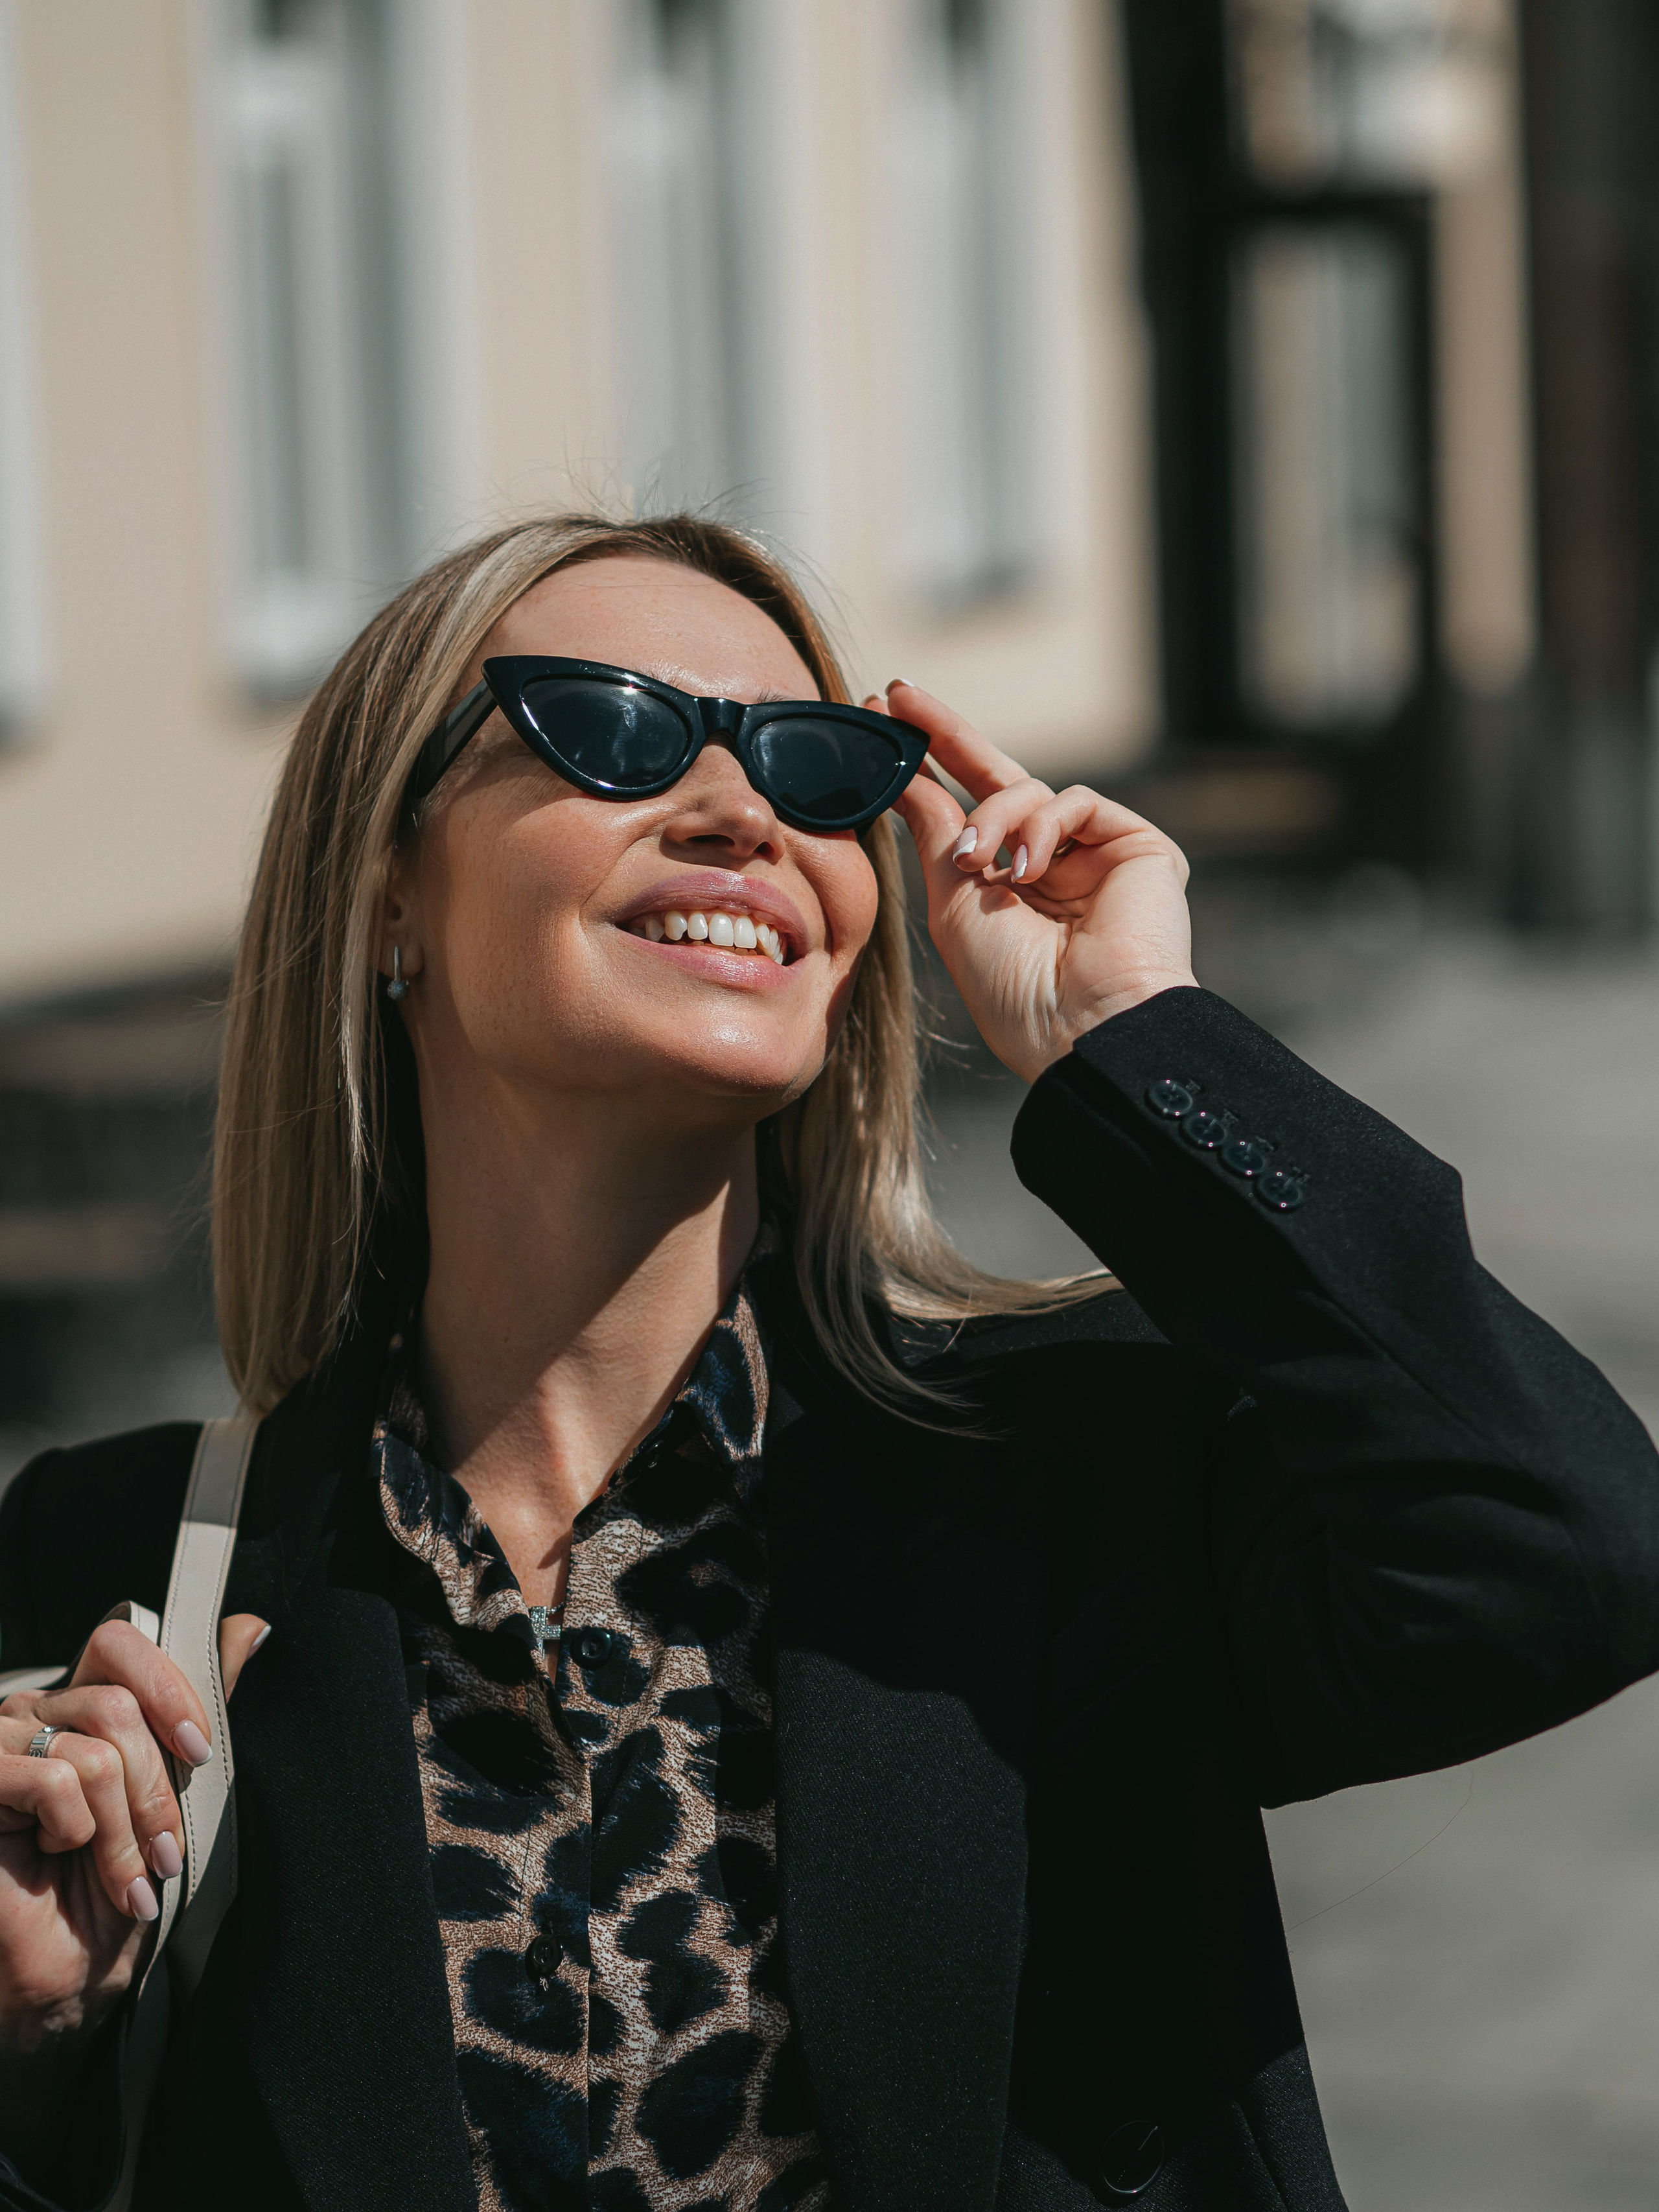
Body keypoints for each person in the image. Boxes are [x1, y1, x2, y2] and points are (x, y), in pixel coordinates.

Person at [1, 513, 1656, 2212]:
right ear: (384, 892)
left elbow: (1570, 1548)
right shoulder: (114, 1573)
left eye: (813, 764)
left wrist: (1133, 1046)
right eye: (615, 729)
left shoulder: (1075, 1473)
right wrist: (27, 2059)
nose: (743, 810)